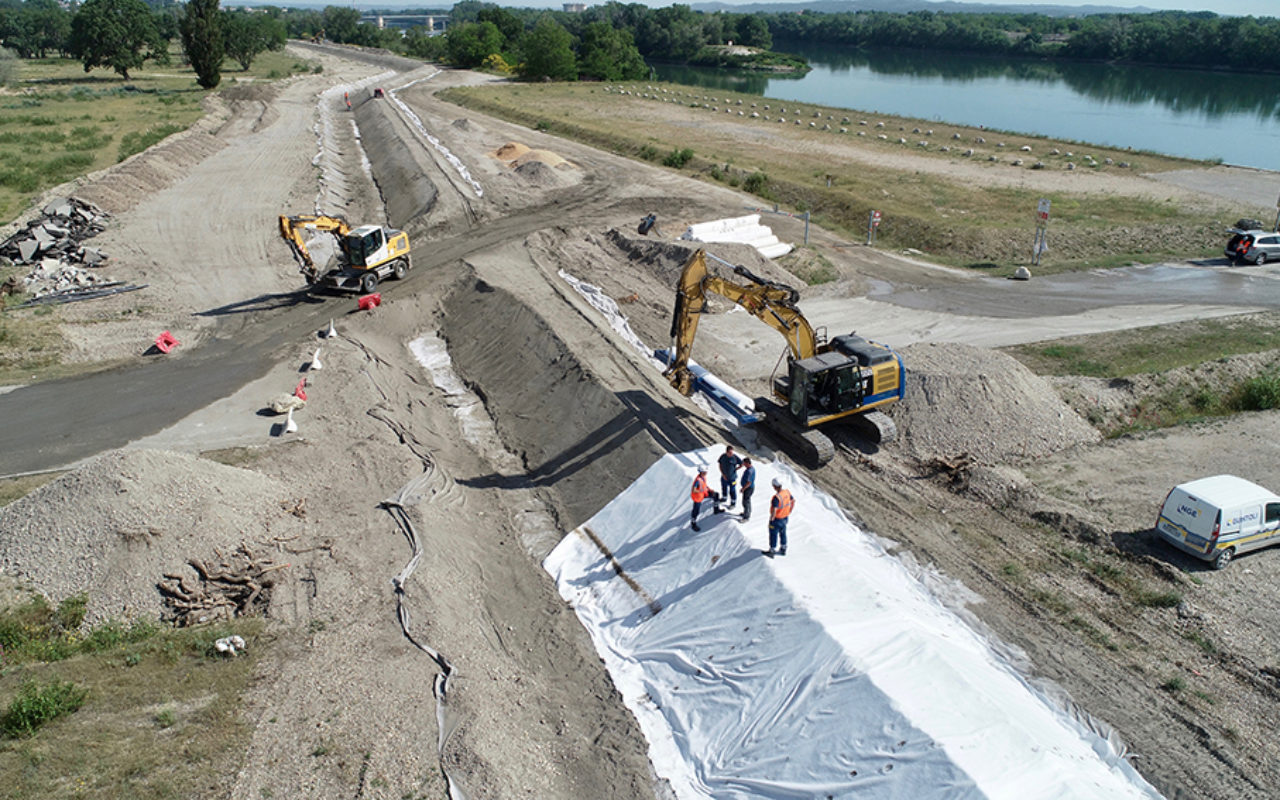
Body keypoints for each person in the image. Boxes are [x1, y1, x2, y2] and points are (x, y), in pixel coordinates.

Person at [765, 478, 794, 557]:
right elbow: (793, 500)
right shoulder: (787, 492)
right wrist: (789, 511)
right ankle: (783, 548)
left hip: (777, 519)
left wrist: (771, 520)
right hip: (785, 518)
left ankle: (772, 550)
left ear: (774, 486)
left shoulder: (776, 498)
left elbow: (774, 510)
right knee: (783, 533)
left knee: (773, 534)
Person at [690, 465, 711, 532]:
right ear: (700, 472)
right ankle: (693, 523)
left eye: (705, 472)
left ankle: (716, 509)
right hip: (698, 497)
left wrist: (709, 490)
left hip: (702, 495)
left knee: (716, 495)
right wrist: (700, 491)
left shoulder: (703, 478)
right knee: (696, 511)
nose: (705, 473)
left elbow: (704, 485)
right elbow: (694, 489)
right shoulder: (698, 480)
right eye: (704, 472)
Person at [739, 457, 755, 522]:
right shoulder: (751, 469)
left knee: (746, 502)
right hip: (748, 488)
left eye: (744, 463)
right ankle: (746, 512)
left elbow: (749, 482)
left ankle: (746, 517)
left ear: (748, 463)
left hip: (748, 488)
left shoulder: (749, 471)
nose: (744, 465)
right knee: (746, 501)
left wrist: (743, 489)